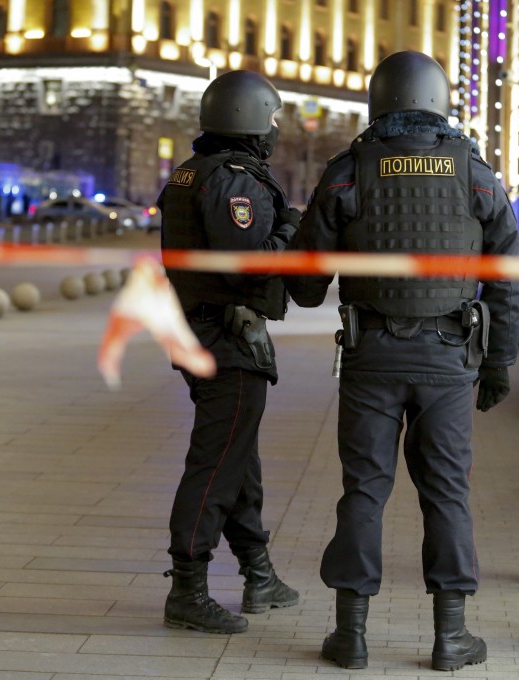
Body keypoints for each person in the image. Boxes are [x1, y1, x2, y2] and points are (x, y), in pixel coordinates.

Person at [285, 50, 519, 671]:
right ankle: (451, 639)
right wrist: (499, 362)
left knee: (364, 490)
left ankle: (350, 636)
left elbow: (307, 284)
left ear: (378, 100)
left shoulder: (348, 170)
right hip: (449, 359)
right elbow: (506, 280)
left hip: (371, 357)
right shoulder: (476, 174)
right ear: (440, 100)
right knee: (446, 493)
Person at [156, 70, 301, 635]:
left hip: (201, 331)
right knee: (215, 464)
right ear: (249, 118)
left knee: (237, 459)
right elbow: (250, 261)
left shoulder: (192, 172)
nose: (273, 131)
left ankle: (258, 572)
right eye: (269, 120)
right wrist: (292, 229)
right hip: (228, 338)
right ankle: (188, 588)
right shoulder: (232, 180)